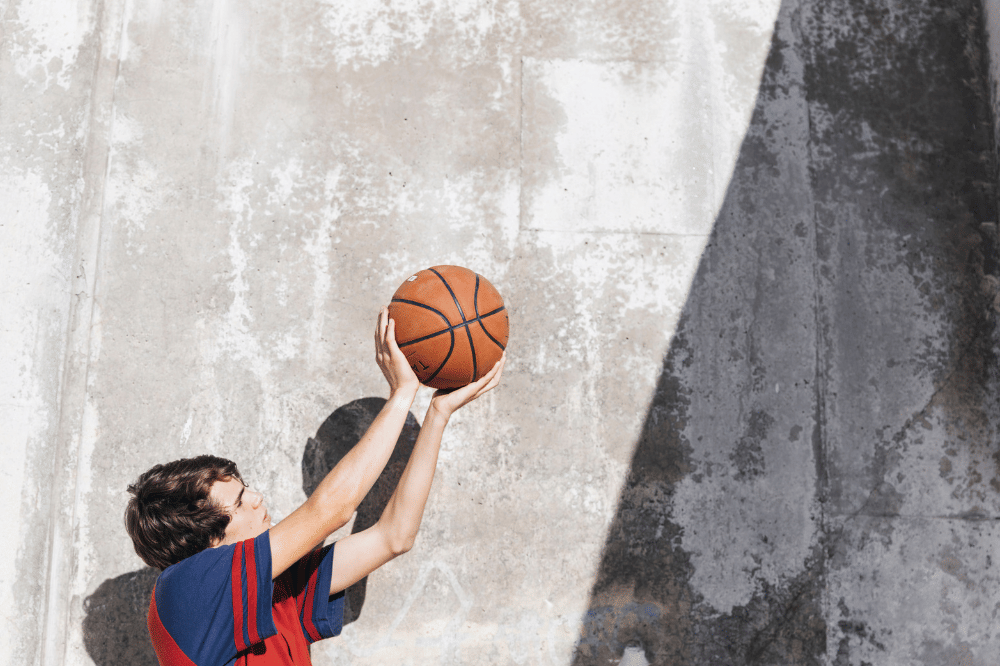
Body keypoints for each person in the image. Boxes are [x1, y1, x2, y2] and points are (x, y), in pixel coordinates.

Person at [124, 308, 505, 666]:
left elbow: (394, 537)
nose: (257, 499)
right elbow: (331, 512)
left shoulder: (272, 587)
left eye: (247, 489)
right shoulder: (185, 592)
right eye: (239, 503)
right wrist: (402, 394)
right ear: (208, 540)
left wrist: (437, 414)